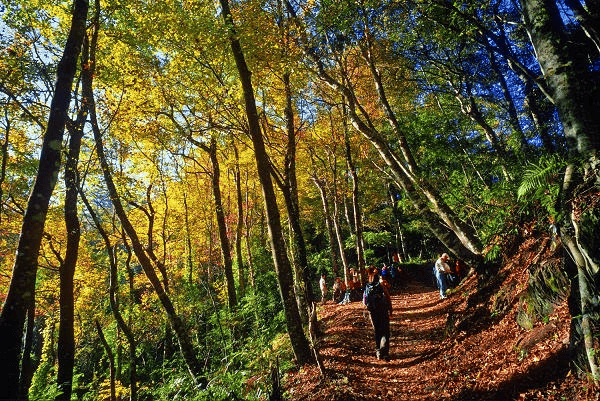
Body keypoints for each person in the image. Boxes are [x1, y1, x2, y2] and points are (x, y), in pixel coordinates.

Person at [363, 266, 392, 360]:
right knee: (385, 330)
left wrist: (367, 310)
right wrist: (390, 309)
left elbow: (364, 301)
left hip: (373, 310)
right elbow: (387, 296)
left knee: (377, 330)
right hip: (383, 309)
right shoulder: (381, 284)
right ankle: (385, 352)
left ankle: (378, 351)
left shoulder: (367, 286)